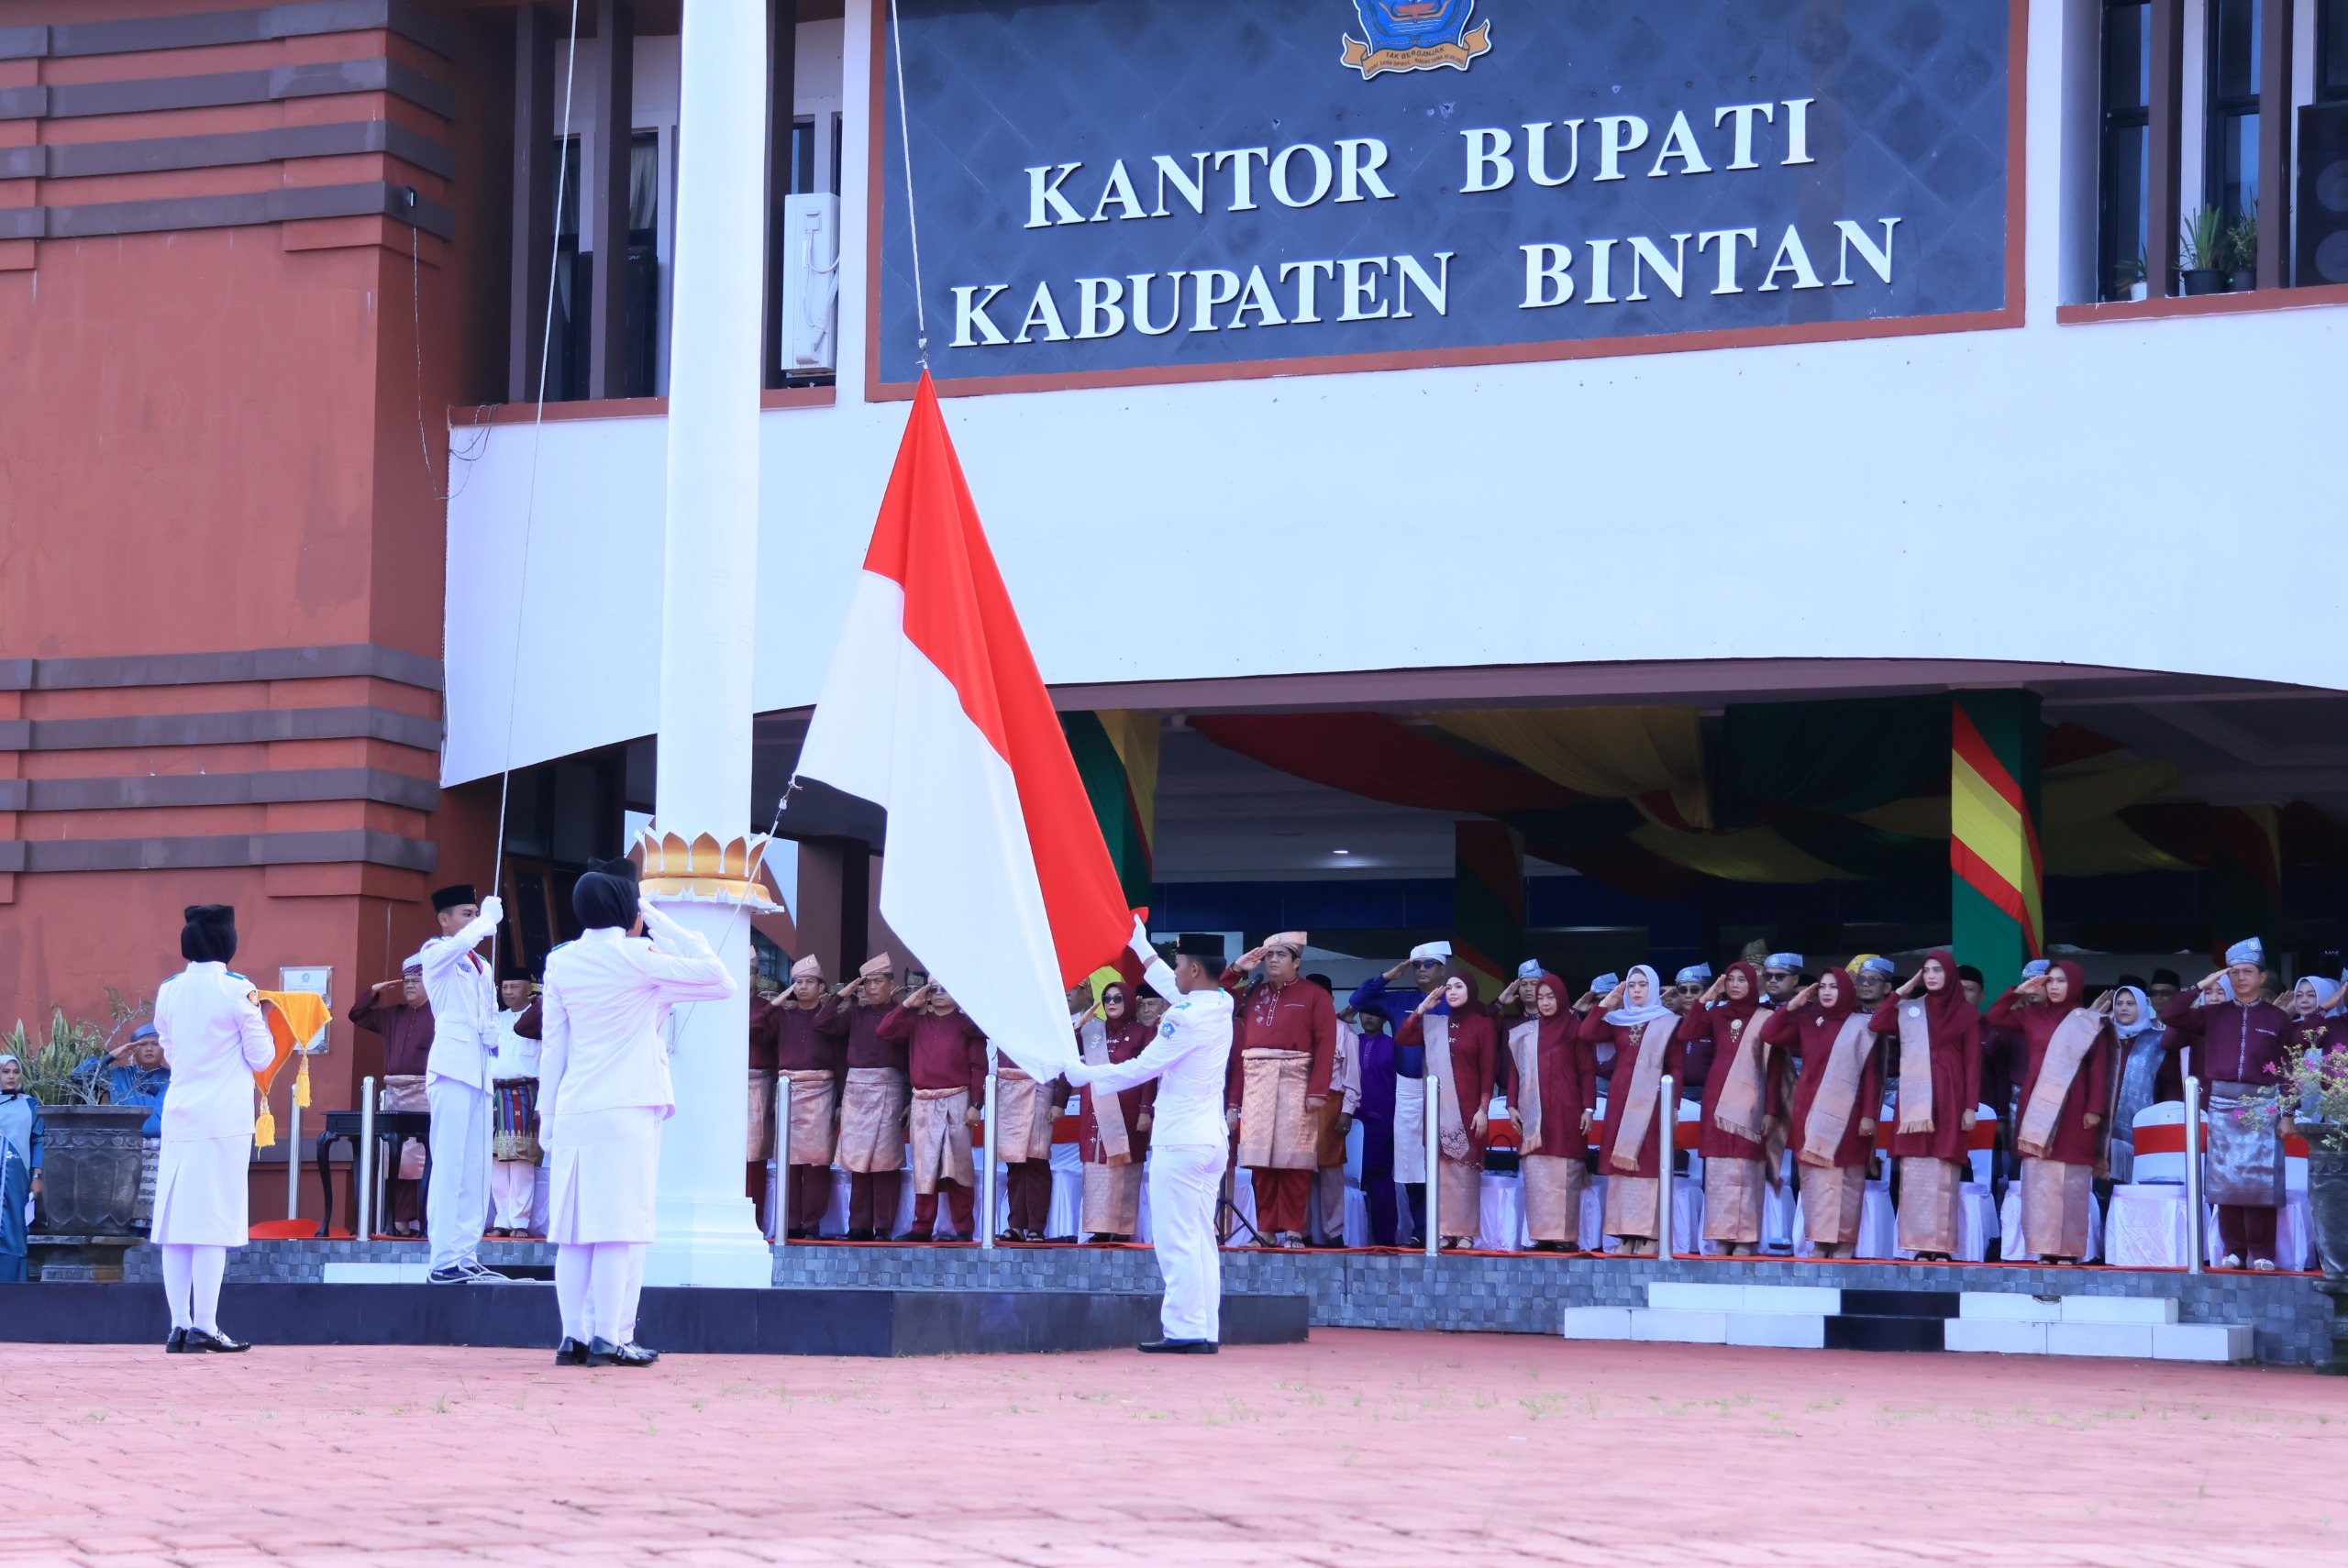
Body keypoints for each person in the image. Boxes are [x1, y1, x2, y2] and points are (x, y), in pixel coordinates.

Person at [538, 858, 735, 1366]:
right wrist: (662, 921)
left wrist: (546, 1118)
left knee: (574, 1232)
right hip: (625, 1108)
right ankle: (609, 1337)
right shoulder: (638, 955)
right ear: (627, 910)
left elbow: (552, 1049)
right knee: (618, 1227)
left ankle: (572, 1337)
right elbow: (721, 980)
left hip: (575, 1105)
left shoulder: (560, 962)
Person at [1063, 925, 1236, 1353]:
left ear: (1194, 969)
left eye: (1178, 965)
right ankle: (1203, 1329)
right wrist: (1140, 947)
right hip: (1209, 1140)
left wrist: (1083, 1073)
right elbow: (1177, 991)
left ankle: (1183, 1331)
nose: (1173, 973)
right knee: (1198, 1238)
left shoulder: (1182, 1017)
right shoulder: (1220, 1002)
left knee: (1177, 1238)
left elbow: (1140, 1069)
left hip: (1180, 1142)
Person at [151, 904, 276, 1352]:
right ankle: (205, 1323)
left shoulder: (168, 990)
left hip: (180, 1113)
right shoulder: (238, 989)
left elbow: (167, 1049)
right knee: (212, 1223)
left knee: (176, 1223)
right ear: (227, 941)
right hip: (223, 1118)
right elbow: (262, 1057)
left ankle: (179, 1324)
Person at [2162, 938, 2291, 1269]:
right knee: (2226, 1183)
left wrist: (2288, 1113)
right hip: (2221, 1102)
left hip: (2264, 1104)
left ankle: (2263, 1253)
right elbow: (2171, 1015)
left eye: (2248, 972)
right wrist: (2200, 986)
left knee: (2262, 1183)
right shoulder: (2212, 1013)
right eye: (2234, 972)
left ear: (2263, 977)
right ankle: (2233, 1250)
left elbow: (2291, 1069)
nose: (2240, 978)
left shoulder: (2278, 1019)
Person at [1985, 959, 2110, 1264]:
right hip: (2038, 1105)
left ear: (2076, 985)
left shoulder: (2088, 1020)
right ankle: (2043, 1248)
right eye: (2050, 981)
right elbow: (1994, 1016)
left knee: (2071, 1181)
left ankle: (2067, 1251)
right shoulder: (2030, 1015)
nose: (2054, 987)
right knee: (2039, 1180)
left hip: (2075, 1107)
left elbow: (2098, 1068)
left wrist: (2094, 1108)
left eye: (2061, 981)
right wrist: (2019, 990)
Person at [415, 882, 508, 1285]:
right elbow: (456, 947)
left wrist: (493, 1033)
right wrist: (484, 922)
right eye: (466, 914)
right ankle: (442, 1258)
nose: (473, 919)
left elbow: (487, 1009)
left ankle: (466, 1253)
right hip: (451, 1069)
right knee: (449, 1164)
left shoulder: (481, 965)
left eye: (475, 912)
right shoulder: (435, 952)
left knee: (476, 1170)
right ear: (444, 919)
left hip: (480, 1073)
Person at [1222, 932, 1336, 1248]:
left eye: (1281, 955)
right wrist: (1238, 968)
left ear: (1297, 962)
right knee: (1261, 1160)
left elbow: (1327, 1045)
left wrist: (1318, 1090)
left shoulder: (1315, 996)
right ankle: (1267, 1230)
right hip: (1257, 1080)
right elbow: (1215, 992)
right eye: (1269, 955)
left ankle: (1294, 1230)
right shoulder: (1252, 991)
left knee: (1294, 1160)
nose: (1272, 960)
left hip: (1296, 1079)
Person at [1873, 947, 1980, 1262]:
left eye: (1938, 970)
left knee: (1943, 1171)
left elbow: (1973, 1063)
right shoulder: (1911, 1009)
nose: (1932, 976)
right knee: (1916, 1171)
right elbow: (1877, 1024)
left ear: (1951, 975)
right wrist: (1902, 992)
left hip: (1950, 1095)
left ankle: (1941, 1245)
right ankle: (1919, 1243)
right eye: (1927, 971)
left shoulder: (1966, 1014)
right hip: (1914, 1099)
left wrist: (1970, 1106)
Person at [1765, 966, 1879, 1258]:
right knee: (1814, 1177)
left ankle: (1843, 1241)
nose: (1827, 993)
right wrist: (1792, 1005)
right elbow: (1770, 1033)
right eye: (1823, 987)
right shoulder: (1806, 1020)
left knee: (1846, 1176)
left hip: (1849, 1113)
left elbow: (1872, 1075)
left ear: (1847, 991)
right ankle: (1819, 1240)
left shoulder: (1863, 1026)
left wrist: (1869, 1114)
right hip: (1810, 1109)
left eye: (1834, 987)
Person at [1578, 965, 1684, 1254]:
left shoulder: (1667, 1021)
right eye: (1633, 985)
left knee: (1648, 1164)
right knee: (1621, 1165)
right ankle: (1625, 1235)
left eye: (1643, 985)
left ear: (1654, 988)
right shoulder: (1617, 1019)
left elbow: (1675, 1065)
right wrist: (1607, 1003)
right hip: (1621, 1097)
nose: (1637, 990)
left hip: (1653, 1100)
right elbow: (1587, 1033)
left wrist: (1674, 1105)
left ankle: (1651, 1235)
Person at [878, 981, 988, 1241]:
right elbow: (884, 1030)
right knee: (924, 1166)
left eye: (945, 989)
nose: (938, 994)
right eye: (934, 989)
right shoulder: (916, 1023)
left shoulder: (966, 1025)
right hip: (923, 1102)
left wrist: (976, 1104)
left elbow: (979, 1067)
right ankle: (922, 1227)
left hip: (957, 1100)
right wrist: (907, 1004)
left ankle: (964, 1228)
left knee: (959, 1167)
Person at [1683, 961, 1777, 1255]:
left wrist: (1771, 1111)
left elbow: (1774, 1069)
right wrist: (1707, 997)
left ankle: (1746, 1238)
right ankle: (1722, 1237)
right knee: (1721, 1172)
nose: (1735, 985)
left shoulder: (1766, 1017)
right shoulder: (1717, 1014)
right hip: (1717, 1097)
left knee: (1747, 1170)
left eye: (1741, 980)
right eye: (1730, 980)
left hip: (1751, 1101)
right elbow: (1686, 1032)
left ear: (1753, 983)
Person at [816, 954, 909, 1241]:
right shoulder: (856, 1014)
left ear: (891, 985)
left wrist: (908, 1098)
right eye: (867, 983)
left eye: (877, 982)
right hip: (857, 1089)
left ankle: (883, 1226)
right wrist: (842, 993)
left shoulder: (900, 1014)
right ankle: (858, 1225)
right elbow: (821, 1023)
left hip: (888, 1088)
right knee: (857, 1162)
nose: (871, 988)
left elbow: (908, 1059)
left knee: (884, 1163)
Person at [1506, 973, 1599, 1251]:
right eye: (1541, 997)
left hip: (1567, 1112)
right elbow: (1515, 1071)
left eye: (1551, 997)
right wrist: (1511, 1104)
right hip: (1534, 1114)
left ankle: (1565, 1237)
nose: (1545, 1003)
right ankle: (1542, 1235)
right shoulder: (1527, 1031)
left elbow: (1586, 1072)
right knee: (1538, 1176)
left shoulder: (1575, 1029)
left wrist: (1588, 1108)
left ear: (1561, 998)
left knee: (1565, 1174)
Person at [349, 960, 434, 1235]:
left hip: (424, 1095)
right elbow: (357, 1015)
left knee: (422, 1161)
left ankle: (424, 1221)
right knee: (395, 1162)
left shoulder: (439, 1014)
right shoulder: (393, 1014)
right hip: (396, 1096)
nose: (409, 985)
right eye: (406, 981)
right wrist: (373, 991)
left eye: (416, 980)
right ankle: (399, 1221)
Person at [761, 955, 842, 1240]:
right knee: (789, 1161)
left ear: (822, 987)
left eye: (810, 982)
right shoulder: (783, 1016)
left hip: (821, 1090)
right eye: (798, 982)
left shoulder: (831, 1017)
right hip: (788, 1089)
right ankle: (790, 1221)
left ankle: (811, 1224)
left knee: (817, 1162)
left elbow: (842, 1060)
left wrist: (841, 1101)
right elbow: (755, 1026)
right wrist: (778, 1001)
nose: (803, 987)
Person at [993, 986, 1073, 1243]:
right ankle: (1016, 1225)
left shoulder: (1049, 1025)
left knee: (1036, 1162)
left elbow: (1065, 1065)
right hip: (1009, 1093)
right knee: (1014, 1164)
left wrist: (1059, 1101)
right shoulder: (1002, 1024)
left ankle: (1036, 1227)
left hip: (1040, 1092)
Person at [1079, 979, 1154, 1242]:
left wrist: (1146, 1110)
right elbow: (1065, 1056)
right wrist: (1079, 1027)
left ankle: (1121, 1230)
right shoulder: (1093, 1032)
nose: (1111, 1003)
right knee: (1098, 1166)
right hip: (1095, 1110)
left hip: (1129, 1112)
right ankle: (1100, 1228)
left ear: (1130, 1001)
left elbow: (1149, 1076)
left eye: (1118, 998)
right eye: (1107, 998)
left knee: (1124, 1166)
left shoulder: (1142, 1033)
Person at [1306, 974, 1360, 1247]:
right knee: (1299, 1169)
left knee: (1330, 1172)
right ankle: (1298, 1231)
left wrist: (1347, 1111)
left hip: (1331, 1104)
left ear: (1330, 999)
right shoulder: (1298, 1027)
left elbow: (1352, 1077)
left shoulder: (1344, 1031)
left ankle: (1334, 1234)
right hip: (1300, 1105)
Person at [488, 977, 543, 1238]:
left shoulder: (539, 1019)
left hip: (525, 1091)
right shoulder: (496, 1020)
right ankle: (502, 1218)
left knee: (520, 1159)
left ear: (529, 989)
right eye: (505, 987)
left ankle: (520, 1220)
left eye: (515, 986)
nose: (508, 992)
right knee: (496, 1158)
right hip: (494, 1092)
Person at [1348, 1003, 1404, 1245]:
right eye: (1364, 1012)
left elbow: (1400, 1087)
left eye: (1375, 1013)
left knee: (1381, 1182)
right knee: (1350, 1181)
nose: (1368, 1017)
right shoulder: (1351, 1041)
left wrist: (1395, 1123)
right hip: (1350, 1122)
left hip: (1383, 1122)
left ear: (1384, 1019)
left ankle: (1384, 1240)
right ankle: (1353, 1238)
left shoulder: (1393, 1047)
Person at [2104, 983, 2169, 1183]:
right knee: (2104, 1183)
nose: (2124, 1008)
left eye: (2131, 1004)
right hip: (2105, 1120)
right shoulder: (2104, 1037)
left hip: (2143, 1119)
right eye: (2120, 1003)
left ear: (2142, 1006)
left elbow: (2164, 1081)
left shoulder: (2157, 1039)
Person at [0, 1052, 40, 1285]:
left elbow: (39, 1140)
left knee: (14, 1225)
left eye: (16, 1072)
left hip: (17, 1177)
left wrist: (37, 1175)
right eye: (5, 1071)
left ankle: (11, 1286)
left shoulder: (30, 1105)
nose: (11, 1077)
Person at [1348, 941, 1451, 1031]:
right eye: (1416, 965)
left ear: (1442, 970)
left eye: (1428, 964)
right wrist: (1386, 977)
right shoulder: (1399, 1000)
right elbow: (1357, 1000)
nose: (1422, 969)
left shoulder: (1454, 1000)